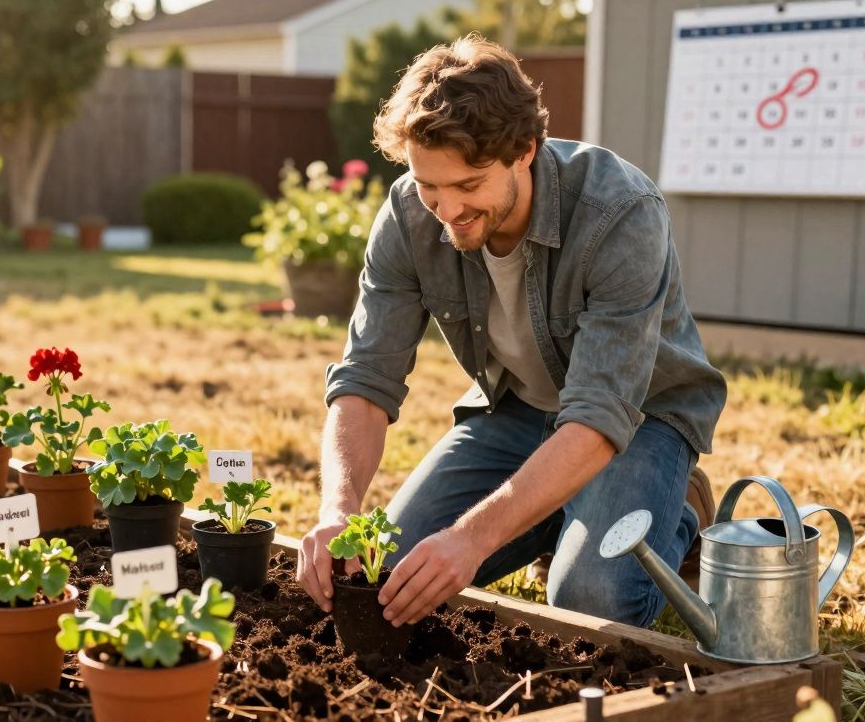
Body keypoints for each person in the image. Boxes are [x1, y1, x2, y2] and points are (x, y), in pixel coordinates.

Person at [297, 34, 727, 630]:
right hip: (518, 410)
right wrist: (337, 510)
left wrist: (472, 538)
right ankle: (560, 511)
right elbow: (366, 379)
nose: (445, 210)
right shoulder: (407, 213)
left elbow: (600, 415)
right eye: (429, 186)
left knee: (589, 599)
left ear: (524, 150)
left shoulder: (621, 212)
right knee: (385, 572)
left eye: (468, 186)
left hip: (637, 421)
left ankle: (678, 514)